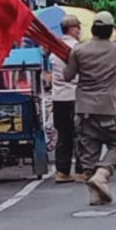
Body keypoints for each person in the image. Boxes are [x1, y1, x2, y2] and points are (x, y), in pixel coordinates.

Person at [64, 11, 116, 206]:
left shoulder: (79, 50)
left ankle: (94, 195)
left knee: (89, 152)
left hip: (83, 109)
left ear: (93, 28)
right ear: (110, 30)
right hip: (107, 108)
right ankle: (102, 175)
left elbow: (68, 75)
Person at [49, 15, 85, 184]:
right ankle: (81, 170)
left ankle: (62, 171)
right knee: (81, 134)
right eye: (78, 28)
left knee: (63, 135)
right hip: (75, 95)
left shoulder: (54, 50)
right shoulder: (78, 49)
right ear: (72, 29)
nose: (80, 31)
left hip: (59, 98)